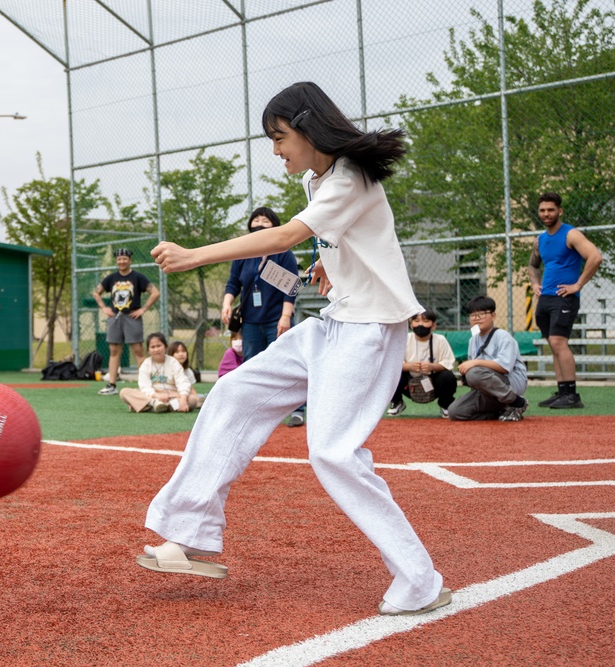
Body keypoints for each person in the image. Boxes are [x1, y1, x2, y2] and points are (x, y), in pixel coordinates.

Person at [137, 81, 450, 616]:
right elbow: (342, 233)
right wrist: (331, 258)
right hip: (334, 323)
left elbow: (285, 238)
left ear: (308, 129)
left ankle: (420, 579)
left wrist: (195, 256)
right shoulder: (317, 177)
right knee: (233, 392)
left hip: (369, 329)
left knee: (332, 452)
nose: (276, 149)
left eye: (279, 137)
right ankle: (190, 535)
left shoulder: (348, 178)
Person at [222, 206, 306, 427]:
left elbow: (291, 286)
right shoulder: (244, 253)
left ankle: (297, 409)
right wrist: (227, 302)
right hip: (250, 321)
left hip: (276, 319)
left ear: (275, 226)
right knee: (252, 364)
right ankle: (254, 408)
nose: (259, 223)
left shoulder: (283, 253)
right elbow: (234, 282)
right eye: (256, 219)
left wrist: (285, 316)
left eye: (265, 220)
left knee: (286, 362)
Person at [527, 192, 602, 409]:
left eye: (551, 210)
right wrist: (534, 284)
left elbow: (595, 257)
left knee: (559, 342)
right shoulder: (540, 240)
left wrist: (577, 285)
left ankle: (572, 395)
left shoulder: (571, 234)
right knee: (553, 344)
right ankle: (561, 391)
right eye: (542, 210)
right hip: (546, 298)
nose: (546, 214)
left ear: (560, 211)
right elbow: (533, 265)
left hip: (564, 298)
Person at [446, 296, 529, 422]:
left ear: (493, 316)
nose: (477, 318)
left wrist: (475, 363)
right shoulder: (473, 340)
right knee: (455, 412)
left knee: (474, 372)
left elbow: (504, 367)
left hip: (510, 384)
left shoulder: (502, 336)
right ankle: (502, 411)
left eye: (482, 314)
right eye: (473, 315)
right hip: (489, 388)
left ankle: (518, 402)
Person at [93, 248, 160, 395]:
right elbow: (96, 292)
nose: (122, 261)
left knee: (138, 351)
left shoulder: (138, 277)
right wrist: (104, 308)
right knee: (114, 351)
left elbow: (155, 292)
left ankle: (145, 385)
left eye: (124, 259)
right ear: (116, 261)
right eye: (119, 259)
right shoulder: (111, 278)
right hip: (115, 317)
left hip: (132, 317)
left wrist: (143, 309)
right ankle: (111, 384)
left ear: (130, 260)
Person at [387, 308, 457, 418]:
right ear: (411, 325)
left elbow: (449, 363)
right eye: (416, 321)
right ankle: (397, 402)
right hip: (409, 383)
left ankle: (445, 404)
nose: (420, 324)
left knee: (448, 377)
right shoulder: (404, 339)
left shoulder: (440, 340)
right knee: (392, 373)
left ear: (433, 325)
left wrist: (433, 367)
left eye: (425, 321)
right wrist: (408, 366)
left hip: (434, 382)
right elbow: (392, 362)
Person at [119, 333, 196, 413]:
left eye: (159, 346)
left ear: (165, 347)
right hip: (152, 396)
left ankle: (149, 407)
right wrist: (157, 396)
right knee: (124, 392)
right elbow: (145, 387)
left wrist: (183, 400)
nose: (156, 350)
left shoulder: (173, 362)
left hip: (172, 395)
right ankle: (155, 404)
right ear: (148, 350)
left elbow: (182, 383)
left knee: (192, 400)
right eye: (153, 347)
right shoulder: (146, 364)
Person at [168, 340, 204, 409]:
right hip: (172, 394)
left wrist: (197, 397)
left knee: (204, 396)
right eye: (177, 352)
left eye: (183, 351)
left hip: (185, 393)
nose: (181, 354)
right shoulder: (169, 369)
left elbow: (191, 388)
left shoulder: (188, 371)